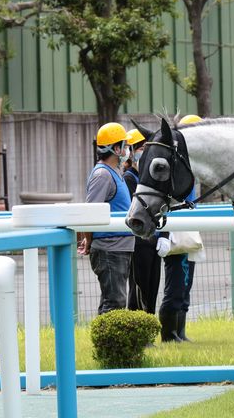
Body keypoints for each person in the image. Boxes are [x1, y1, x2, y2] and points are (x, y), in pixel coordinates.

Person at [77, 122, 134, 315]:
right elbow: (90, 213)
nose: (127, 150)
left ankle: (104, 335)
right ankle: (106, 336)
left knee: (114, 301)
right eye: (125, 145)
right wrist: (88, 240)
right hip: (110, 248)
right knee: (115, 302)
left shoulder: (115, 172)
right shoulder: (102, 174)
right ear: (116, 149)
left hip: (119, 247)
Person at [155, 113, 203, 342]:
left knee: (186, 282)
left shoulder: (190, 165)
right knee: (176, 283)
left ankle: (180, 331)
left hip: (188, 227)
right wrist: (163, 234)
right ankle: (169, 334)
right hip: (175, 228)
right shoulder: (175, 164)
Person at [124, 128, 162, 315]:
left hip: (154, 240)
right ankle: (137, 326)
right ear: (131, 152)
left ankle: (150, 325)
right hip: (139, 242)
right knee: (139, 290)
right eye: (141, 148)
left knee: (153, 288)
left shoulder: (148, 178)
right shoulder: (129, 178)